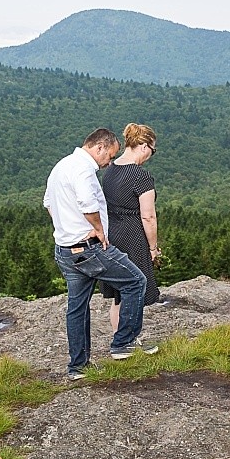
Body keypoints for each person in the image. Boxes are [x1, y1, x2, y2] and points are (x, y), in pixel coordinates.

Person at [45, 128, 156, 380]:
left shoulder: (61, 166)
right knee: (136, 281)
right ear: (99, 148)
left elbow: (48, 204)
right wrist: (98, 230)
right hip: (89, 248)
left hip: (64, 249)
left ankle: (78, 367)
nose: (108, 163)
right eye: (109, 156)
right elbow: (87, 203)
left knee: (77, 307)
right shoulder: (84, 170)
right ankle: (122, 343)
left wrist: (65, 227)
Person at [100, 123, 162, 334]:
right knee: (135, 290)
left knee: (118, 294)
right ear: (144, 146)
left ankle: (120, 338)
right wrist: (153, 248)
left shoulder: (110, 170)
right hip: (133, 235)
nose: (150, 156)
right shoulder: (140, 176)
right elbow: (148, 216)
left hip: (112, 234)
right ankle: (129, 340)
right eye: (152, 151)